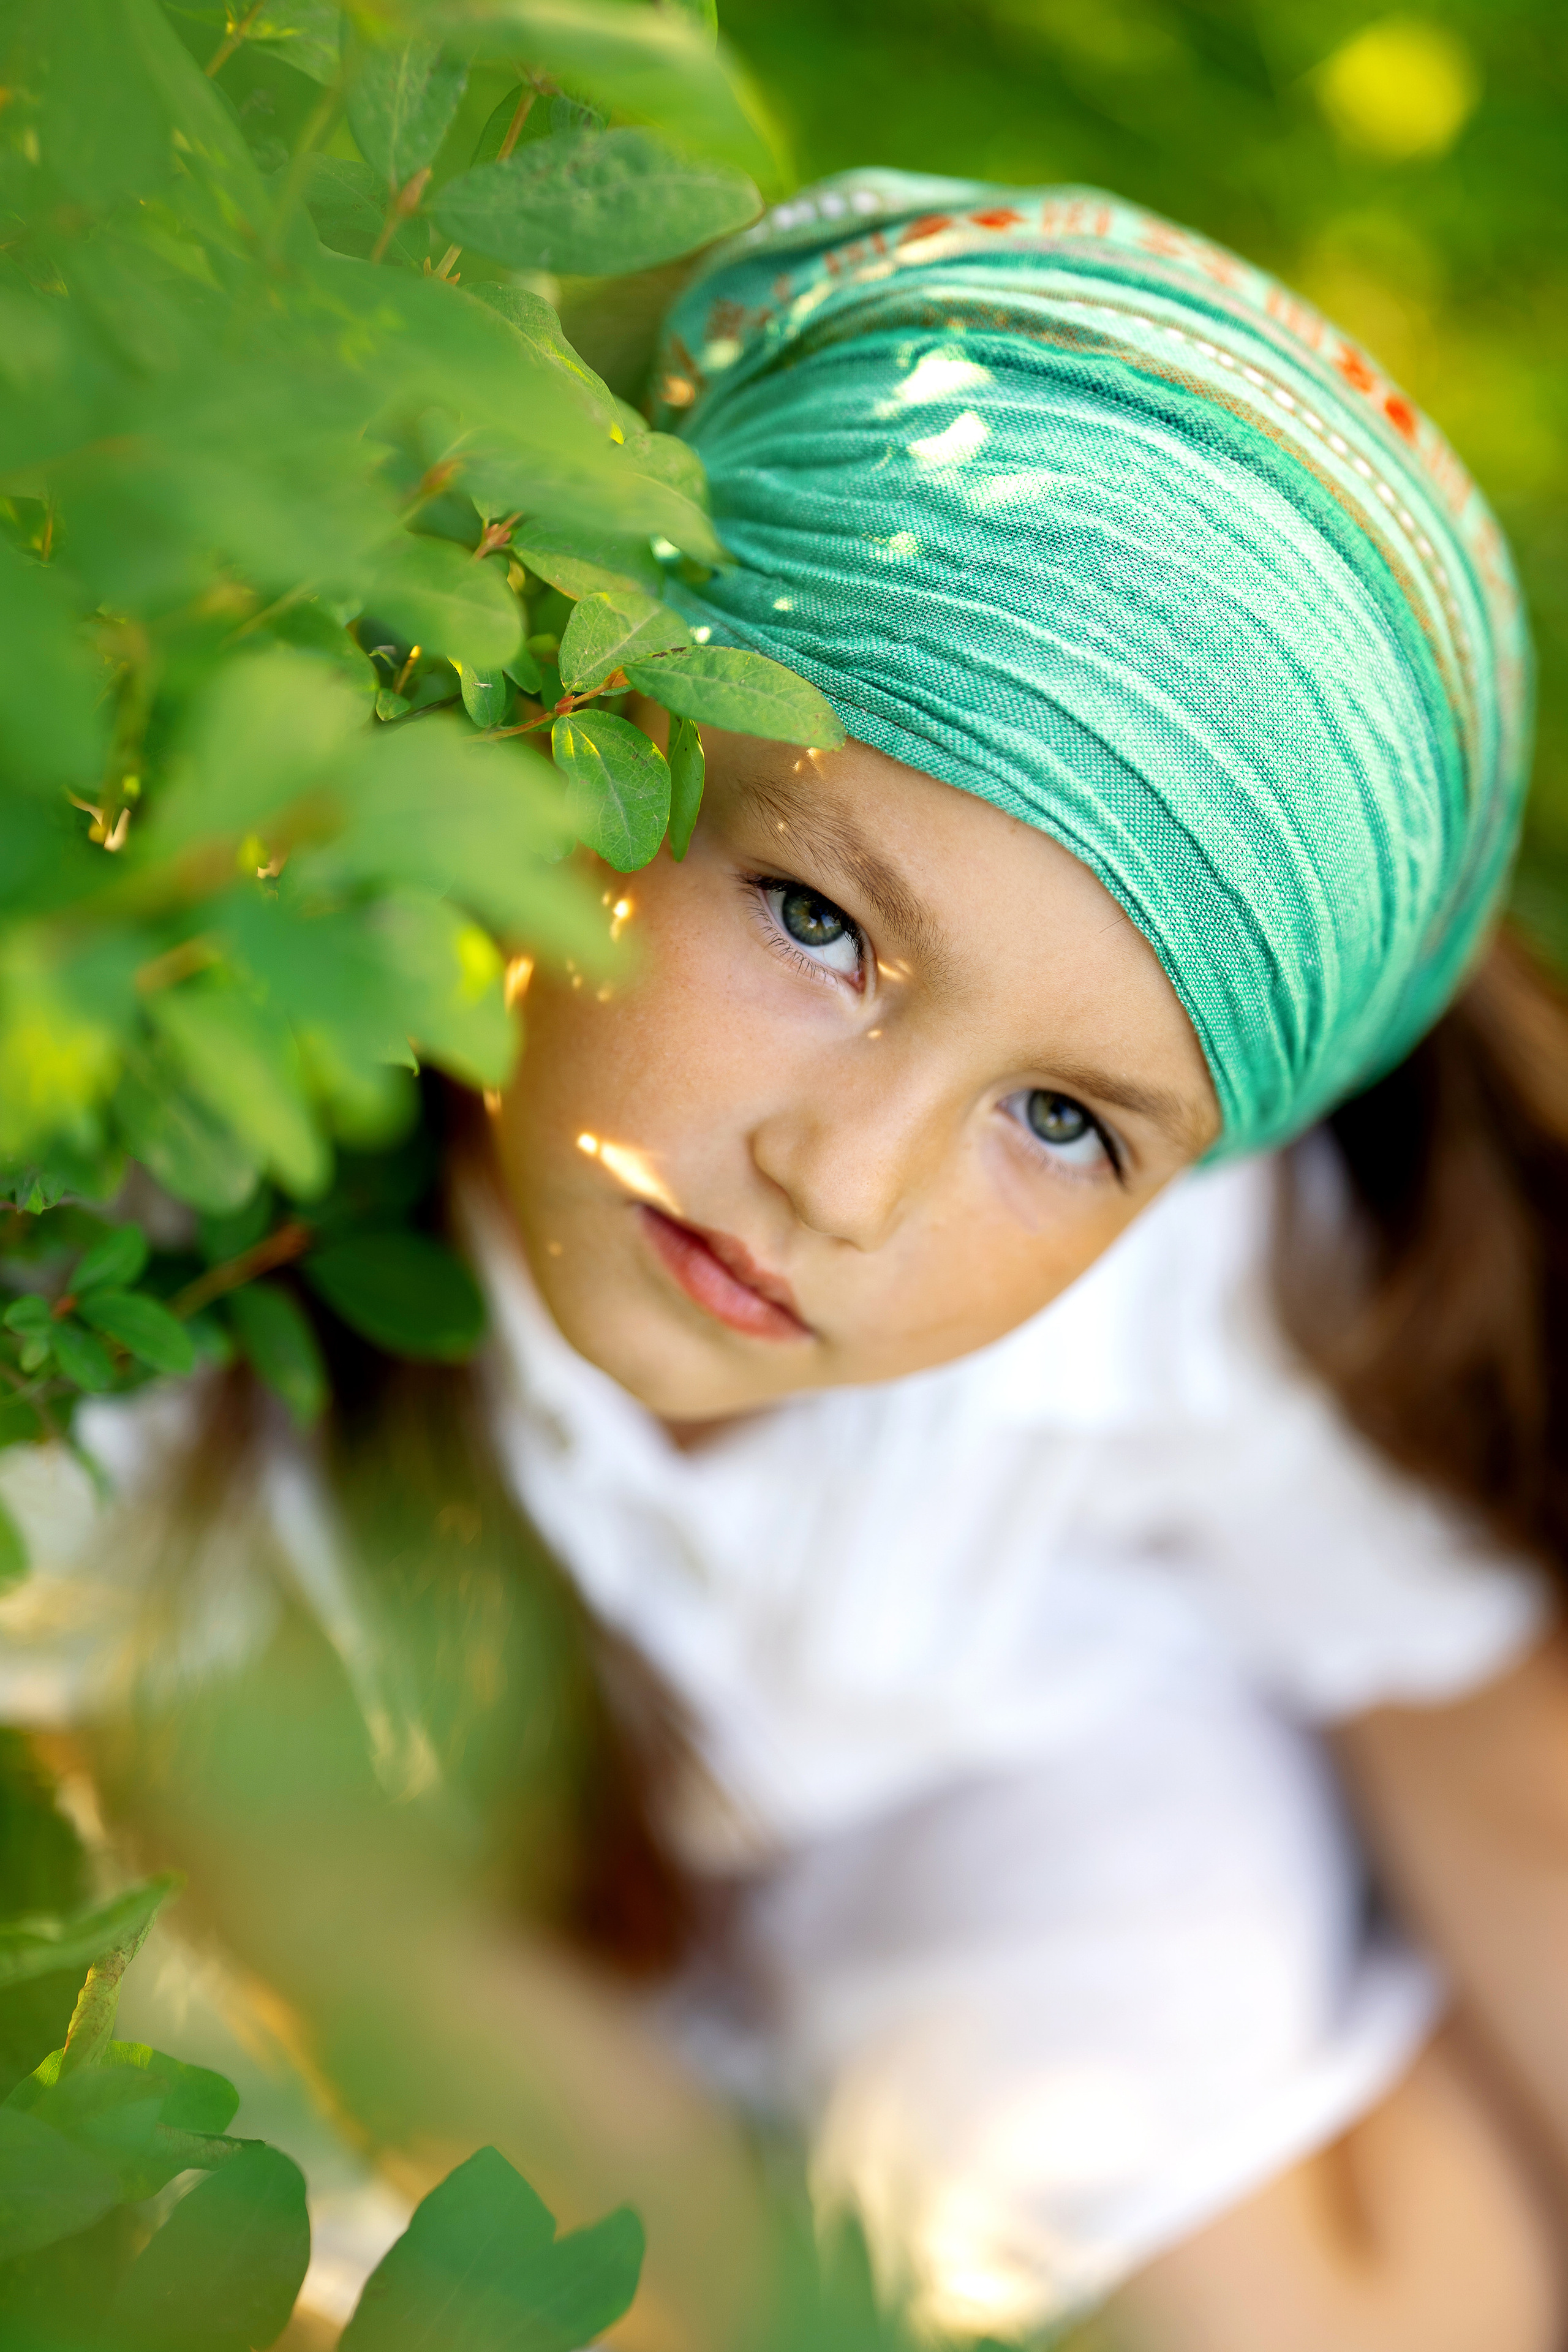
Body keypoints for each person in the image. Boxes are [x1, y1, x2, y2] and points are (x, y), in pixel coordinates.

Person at [11, 173, 1568, 2349]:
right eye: (819, 924)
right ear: (586, 739)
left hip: (1012, 1721)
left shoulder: (1224, 1303)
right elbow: (445, 2020)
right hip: (529, 1868)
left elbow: (1503, 1783)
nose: (846, 1183)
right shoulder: (149, 1289)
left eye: (1064, 1122)